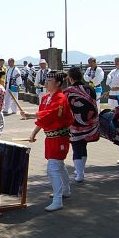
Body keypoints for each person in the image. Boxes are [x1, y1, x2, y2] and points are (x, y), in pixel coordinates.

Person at [25, 71, 74, 212]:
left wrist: (30, 115)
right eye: (46, 80)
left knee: (53, 168)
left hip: (60, 138)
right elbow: (43, 120)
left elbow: (51, 114)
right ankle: (65, 190)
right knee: (59, 165)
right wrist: (33, 133)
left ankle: (58, 200)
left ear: (58, 83)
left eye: (49, 81)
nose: (46, 83)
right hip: (51, 137)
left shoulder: (61, 98)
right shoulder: (46, 98)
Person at [64, 67, 99, 182]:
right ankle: (81, 170)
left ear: (70, 78)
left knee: (76, 147)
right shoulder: (89, 88)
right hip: (90, 122)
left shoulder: (67, 91)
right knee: (83, 146)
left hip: (75, 124)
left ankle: (79, 174)